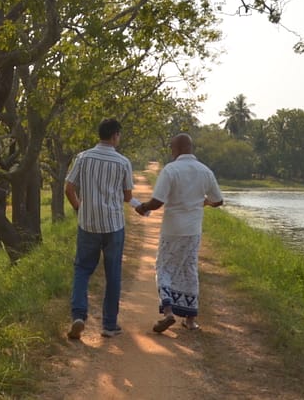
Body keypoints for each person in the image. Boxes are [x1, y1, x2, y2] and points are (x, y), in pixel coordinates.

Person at [135, 132, 223, 333]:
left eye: (172, 149)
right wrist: (204, 202)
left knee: (164, 267)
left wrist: (142, 207)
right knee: (189, 269)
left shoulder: (171, 170)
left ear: (176, 149)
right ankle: (191, 320)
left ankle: (168, 312)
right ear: (191, 148)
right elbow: (218, 200)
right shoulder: (205, 171)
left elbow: (157, 202)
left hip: (173, 229)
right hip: (193, 230)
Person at [65, 117, 134, 340]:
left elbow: (69, 188)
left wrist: (79, 208)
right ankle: (109, 325)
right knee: (113, 273)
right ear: (115, 135)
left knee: (82, 269)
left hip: (88, 224)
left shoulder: (83, 158)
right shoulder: (123, 162)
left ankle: (79, 315)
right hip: (113, 225)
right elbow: (127, 196)